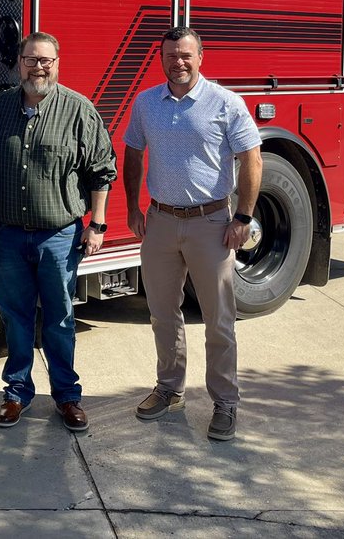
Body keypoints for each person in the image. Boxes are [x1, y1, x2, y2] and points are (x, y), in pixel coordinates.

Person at [122, 27, 262, 441]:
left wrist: (243, 217)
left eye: (185, 55)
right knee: (162, 314)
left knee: (218, 319)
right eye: (169, 56)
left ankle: (225, 402)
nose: (177, 62)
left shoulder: (225, 102)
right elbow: (133, 154)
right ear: (161, 59)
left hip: (212, 224)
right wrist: (133, 208)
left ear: (201, 56)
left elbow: (252, 159)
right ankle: (169, 389)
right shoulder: (147, 103)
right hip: (161, 222)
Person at [0, 32, 117, 432]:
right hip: (9, 235)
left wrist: (96, 225)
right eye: (30, 60)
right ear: (19, 63)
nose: (38, 67)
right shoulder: (0, 108)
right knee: (15, 317)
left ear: (57, 63)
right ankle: (16, 393)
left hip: (59, 237)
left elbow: (101, 170)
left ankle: (67, 396)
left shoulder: (79, 110)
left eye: (45, 60)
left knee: (60, 318)